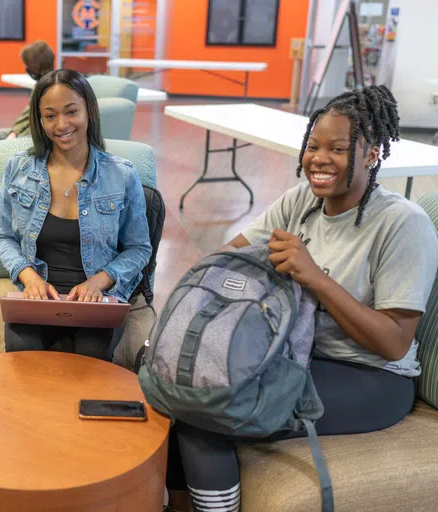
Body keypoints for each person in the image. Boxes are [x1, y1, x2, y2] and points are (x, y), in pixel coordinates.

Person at [164, 85, 438, 512]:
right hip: (297, 353)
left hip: (372, 377)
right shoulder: (301, 202)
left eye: (339, 148)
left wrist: (314, 278)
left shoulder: (402, 224)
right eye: (313, 146)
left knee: (207, 418)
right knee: (181, 393)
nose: (319, 159)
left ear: (372, 154)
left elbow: (394, 342)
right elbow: (230, 255)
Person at [0, 69, 152, 361]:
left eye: (71, 112)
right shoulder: (18, 168)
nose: (62, 124)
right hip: (38, 295)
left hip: (97, 296)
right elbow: (3, 236)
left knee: (91, 358)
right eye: (50, 115)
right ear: (39, 120)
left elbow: (139, 248)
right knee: (21, 354)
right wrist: (29, 279)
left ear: (89, 111)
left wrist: (99, 282)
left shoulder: (122, 174)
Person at [0, 40, 56, 140]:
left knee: (0, 139)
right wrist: (14, 132)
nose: (26, 68)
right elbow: (28, 114)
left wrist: (15, 136)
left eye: (28, 65)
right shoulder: (42, 84)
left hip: (39, 134)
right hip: (31, 129)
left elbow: (36, 122)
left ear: (36, 66)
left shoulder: (45, 88)